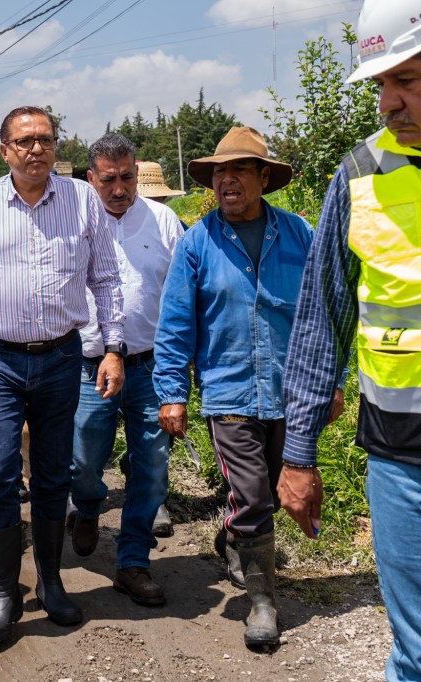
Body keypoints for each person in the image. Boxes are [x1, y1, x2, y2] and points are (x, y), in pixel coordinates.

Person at [0, 106, 125, 646]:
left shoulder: (83, 199)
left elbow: (106, 279)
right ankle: (4, 591)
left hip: (62, 357)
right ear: (4, 150)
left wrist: (113, 348)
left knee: (51, 474)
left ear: (56, 146)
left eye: (45, 139)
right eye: (24, 141)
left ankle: (51, 581)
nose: (36, 149)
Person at [280, 2, 421, 677]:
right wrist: (299, 453)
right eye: (380, 86)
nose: (390, 103)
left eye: (410, 80)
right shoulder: (361, 174)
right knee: (418, 648)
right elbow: (320, 320)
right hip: (401, 459)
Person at [153, 127, 320, 649]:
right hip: (229, 392)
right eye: (220, 172)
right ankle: (264, 603)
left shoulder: (299, 234)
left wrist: (330, 382)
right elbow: (176, 321)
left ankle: (233, 535)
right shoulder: (197, 241)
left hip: (288, 389)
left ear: (263, 178)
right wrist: (172, 391)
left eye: (240, 170)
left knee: (266, 490)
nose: (227, 180)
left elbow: (322, 315)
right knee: (252, 493)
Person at [69, 135, 184, 607]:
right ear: (91, 178)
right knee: (81, 460)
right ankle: (89, 505)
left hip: (151, 365)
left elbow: (180, 296)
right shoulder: (73, 223)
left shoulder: (163, 222)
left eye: (127, 178)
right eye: (109, 179)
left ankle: (133, 560)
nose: (119, 189)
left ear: (137, 173)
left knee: (153, 468)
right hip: (87, 365)